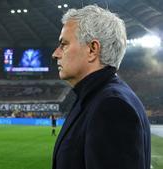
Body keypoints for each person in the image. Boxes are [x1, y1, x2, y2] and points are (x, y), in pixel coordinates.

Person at [52, 5, 150, 169]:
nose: (55, 53)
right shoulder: (96, 97)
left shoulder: (111, 106)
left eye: (64, 44)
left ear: (92, 49)